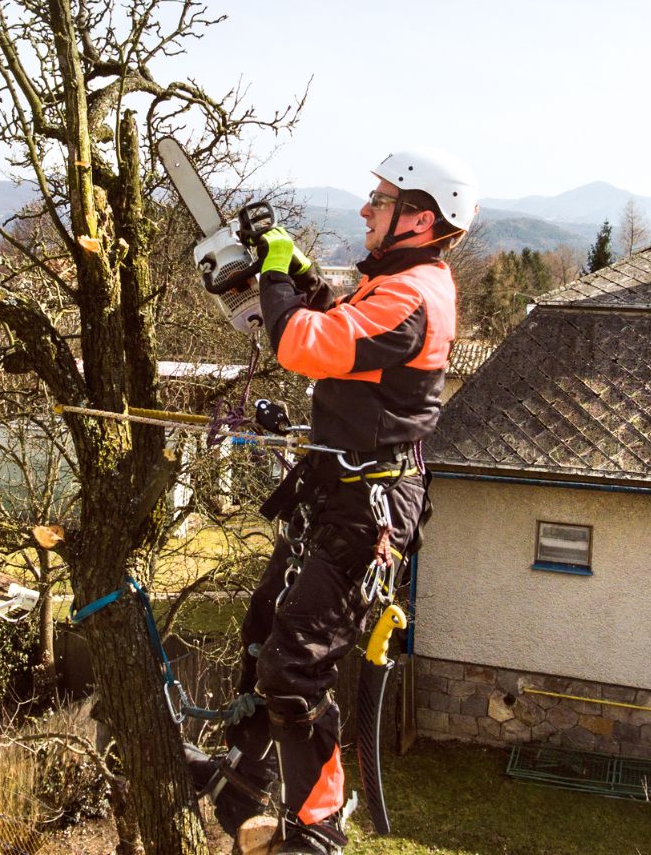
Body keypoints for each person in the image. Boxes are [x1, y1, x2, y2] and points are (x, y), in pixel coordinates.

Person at [196, 148, 477, 854]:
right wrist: (287, 275)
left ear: (419, 219)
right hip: (337, 490)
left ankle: (317, 826)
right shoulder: (394, 283)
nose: (365, 209)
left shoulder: (414, 293)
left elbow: (304, 344)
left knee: (297, 663)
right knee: (264, 629)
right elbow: (336, 318)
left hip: (371, 507)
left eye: (379, 201)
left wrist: (274, 276)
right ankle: (248, 777)